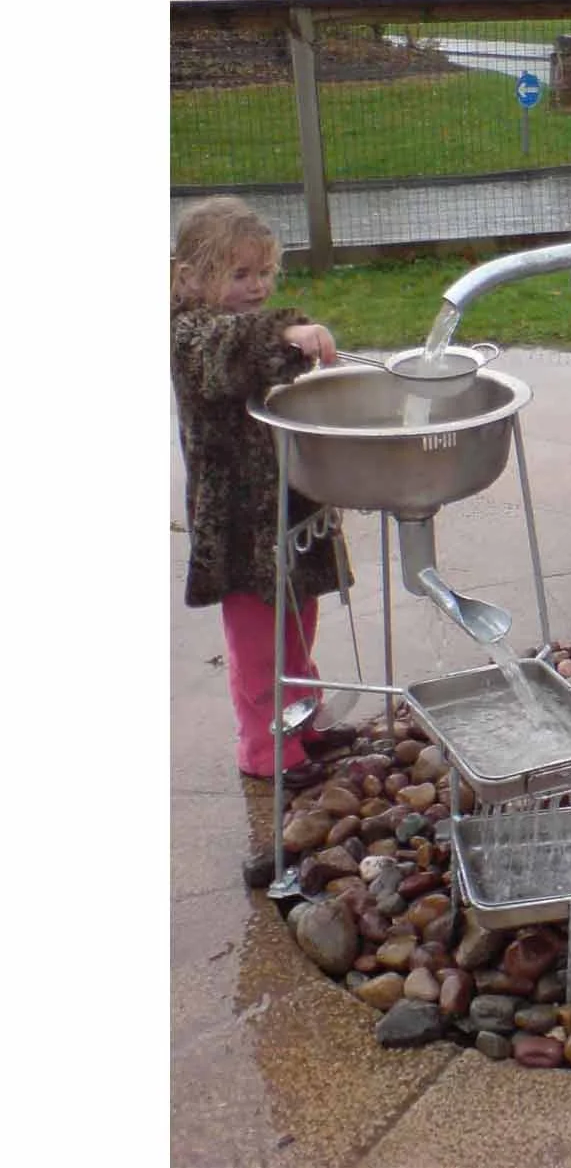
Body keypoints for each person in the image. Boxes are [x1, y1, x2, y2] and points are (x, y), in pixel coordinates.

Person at [171, 197, 351, 788]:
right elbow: (231, 351)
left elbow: (264, 352)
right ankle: (262, 743)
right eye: (239, 274)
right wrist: (288, 331)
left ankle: (301, 718)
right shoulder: (190, 334)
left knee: (300, 615)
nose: (256, 287)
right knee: (257, 637)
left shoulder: (253, 329)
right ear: (189, 277)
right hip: (239, 517)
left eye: (264, 272)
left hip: (290, 501)